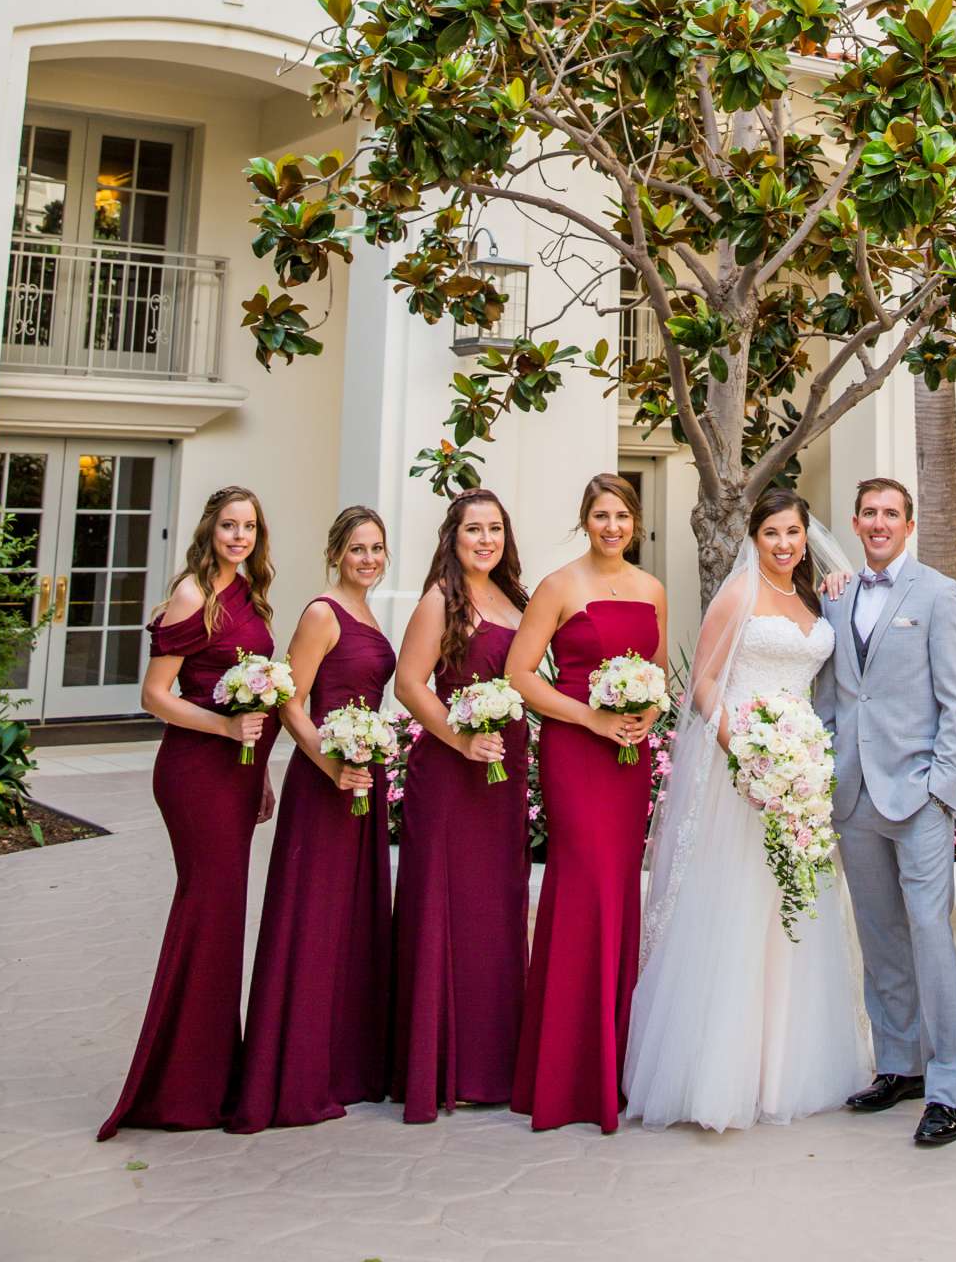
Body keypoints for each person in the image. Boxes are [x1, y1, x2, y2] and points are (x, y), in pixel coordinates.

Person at [625, 486, 870, 1130]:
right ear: (753, 538)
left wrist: (796, 766)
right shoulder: (736, 596)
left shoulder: (818, 598)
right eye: (772, 535)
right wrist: (747, 754)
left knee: (791, 921)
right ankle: (716, 1076)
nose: (785, 546)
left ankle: (784, 1068)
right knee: (735, 915)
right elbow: (704, 683)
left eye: (794, 534)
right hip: (742, 777)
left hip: (800, 777)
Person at [98, 485, 280, 1141]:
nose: (239, 536)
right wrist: (226, 734)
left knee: (224, 917)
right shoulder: (192, 594)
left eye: (250, 527)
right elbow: (154, 695)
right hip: (194, 772)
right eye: (229, 525)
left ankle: (209, 1077)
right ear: (210, 531)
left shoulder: (251, 597)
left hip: (235, 776)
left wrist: (256, 773)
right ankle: (178, 1091)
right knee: (208, 911)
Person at [816, 476, 956, 1150]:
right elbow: (835, 694)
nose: (880, 523)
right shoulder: (836, 597)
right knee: (881, 940)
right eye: (870, 513)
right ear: (855, 523)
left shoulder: (940, 595)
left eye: (892, 514)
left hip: (916, 798)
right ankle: (898, 1064)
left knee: (930, 937)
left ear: (909, 525)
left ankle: (947, 1085)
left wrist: (942, 790)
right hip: (853, 795)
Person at [229, 505, 397, 1134]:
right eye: (357, 548)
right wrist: (332, 764)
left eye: (377, 548)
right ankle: (294, 1077)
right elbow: (290, 701)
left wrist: (368, 760)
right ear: (336, 553)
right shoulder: (322, 613)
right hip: (326, 785)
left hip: (362, 781)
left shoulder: (367, 613)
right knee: (314, 922)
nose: (369, 558)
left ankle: (342, 1068)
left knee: (351, 924)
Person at [509, 473, 667, 1133]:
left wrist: (647, 714)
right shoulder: (558, 586)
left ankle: (615, 1065)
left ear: (634, 524)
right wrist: (591, 720)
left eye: (621, 516)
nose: (611, 526)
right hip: (578, 753)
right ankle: (566, 1075)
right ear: (586, 520)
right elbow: (519, 673)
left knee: (620, 893)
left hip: (628, 758)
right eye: (600, 516)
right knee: (584, 888)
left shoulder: (652, 588)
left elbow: (656, 675)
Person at [390, 488, 531, 1123]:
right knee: (450, 911)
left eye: (494, 529)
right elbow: (409, 684)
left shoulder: (518, 600)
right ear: (453, 538)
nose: (485, 539)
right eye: (473, 529)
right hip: (451, 778)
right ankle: (445, 1066)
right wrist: (462, 738)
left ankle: (496, 1063)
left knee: (497, 911)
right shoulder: (440, 602)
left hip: (503, 779)